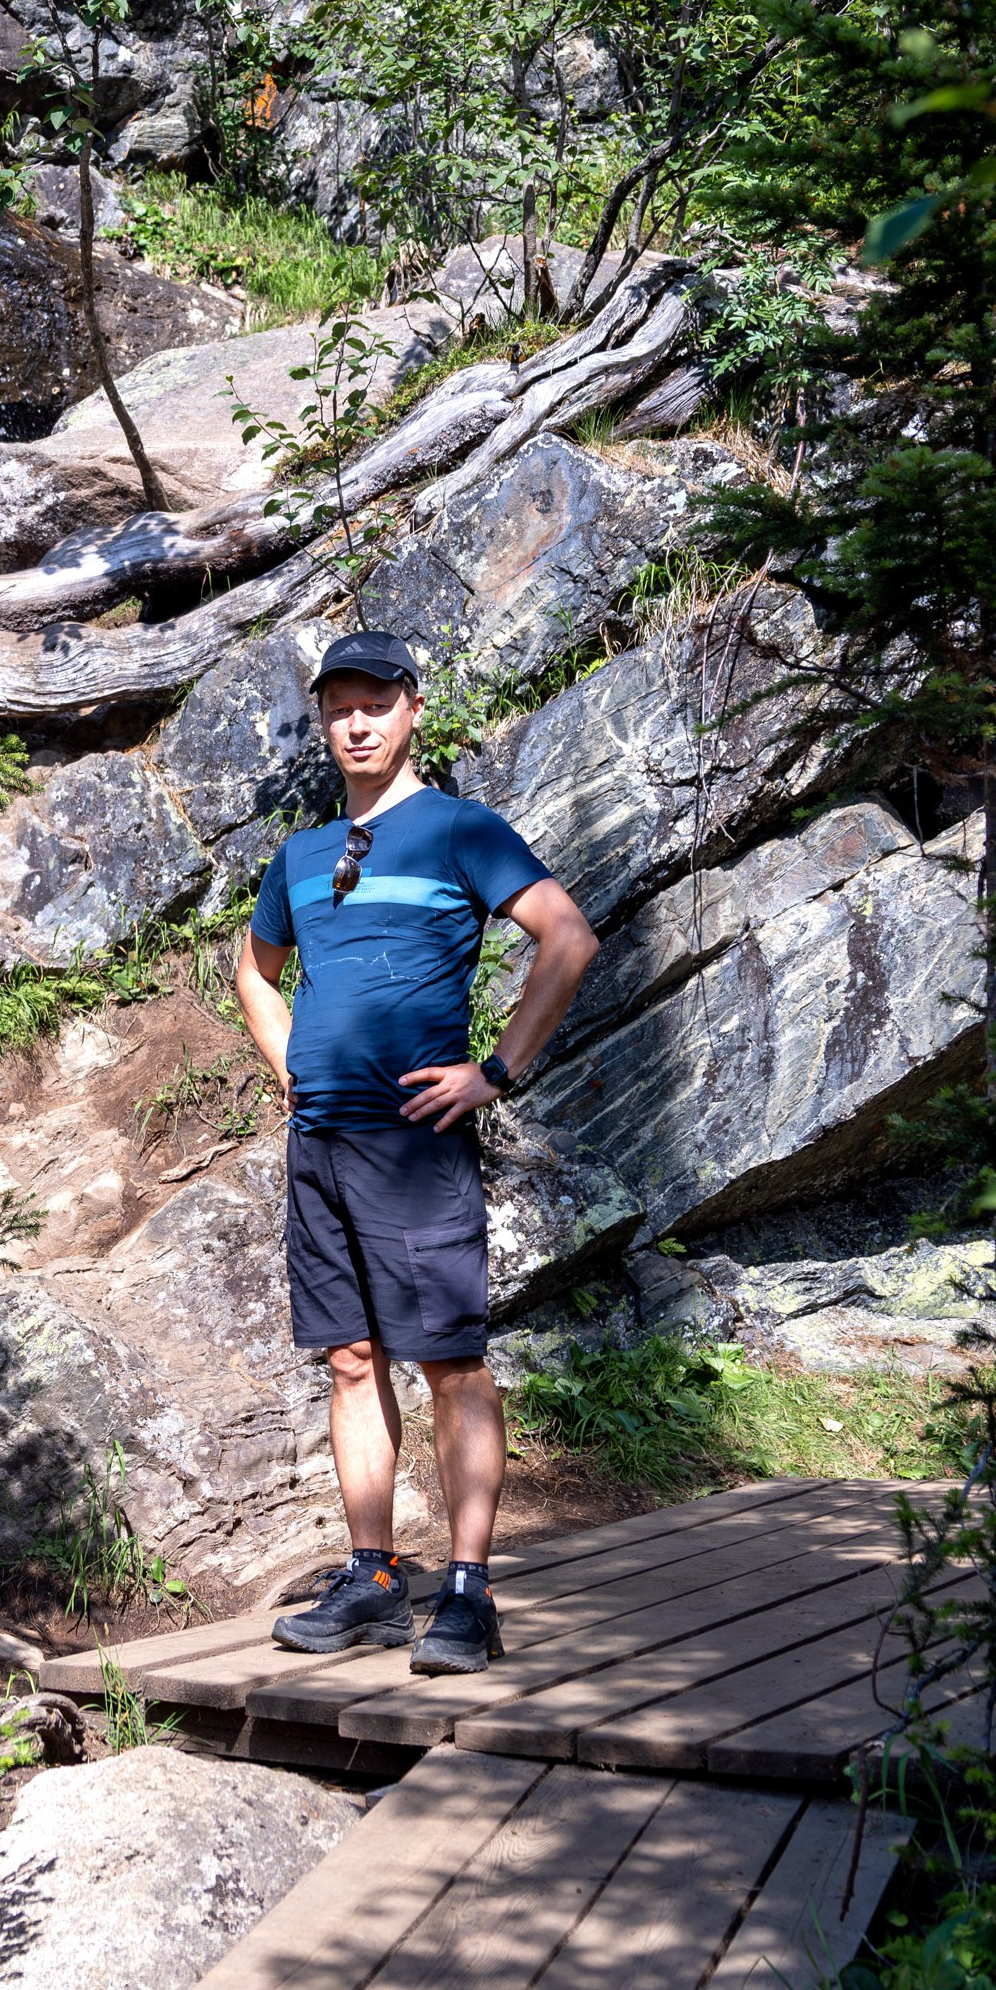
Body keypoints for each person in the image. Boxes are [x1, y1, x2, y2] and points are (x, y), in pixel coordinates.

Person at [235, 630, 599, 1675]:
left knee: (448, 1364)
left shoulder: (459, 831)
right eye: (337, 707)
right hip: (319, 1142)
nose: (355, 723)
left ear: (411, 711)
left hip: (413, 1144)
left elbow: (565, 938)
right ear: (322, 722)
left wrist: (494, 1070)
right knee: (350, 1361)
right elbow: (255, 970)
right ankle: (374, 1579)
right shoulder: (301, 856)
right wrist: (283, 1063)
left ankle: (469, 1593)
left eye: (374, 704)